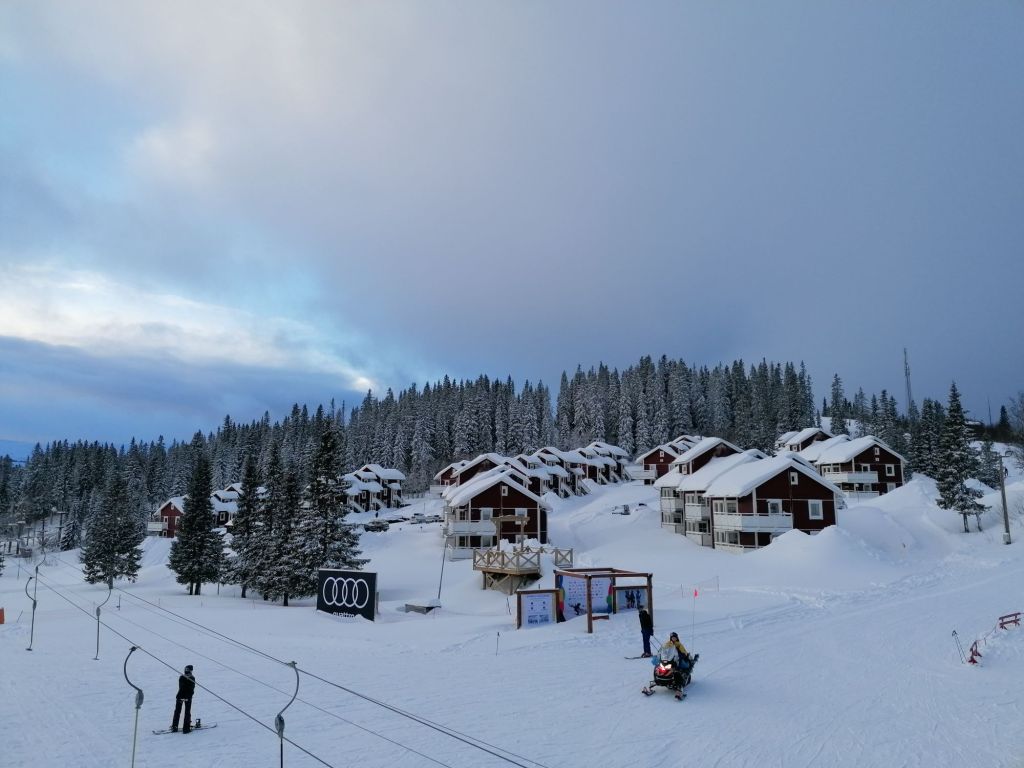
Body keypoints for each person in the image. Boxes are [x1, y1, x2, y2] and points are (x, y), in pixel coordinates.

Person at [171, 664, 196, 733]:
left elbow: (185, 688)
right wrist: (189, 696)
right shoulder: (190, 678)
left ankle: (175, 727)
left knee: (178, 711)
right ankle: (185, 728)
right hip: (185, 697)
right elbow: (190, 688)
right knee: (186, 712)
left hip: (181, 696)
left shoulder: (182, 677)